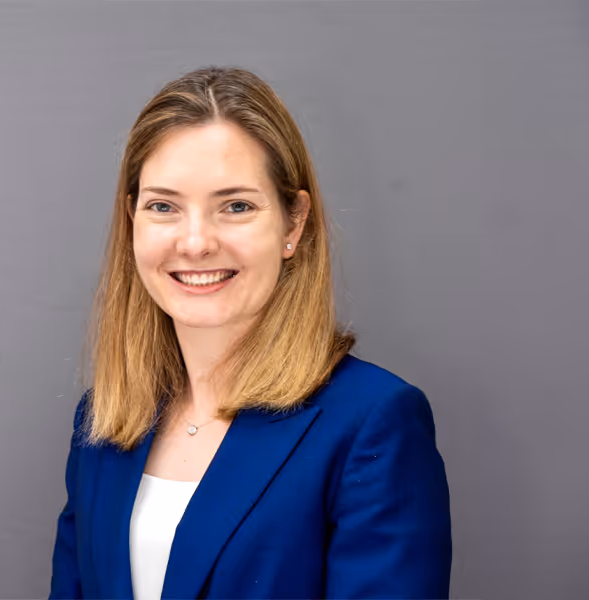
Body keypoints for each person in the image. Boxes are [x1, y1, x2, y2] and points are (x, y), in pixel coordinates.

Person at [49, 65, 451, 599]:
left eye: (236, 206)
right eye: (163, 206)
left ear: (293, 223)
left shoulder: (372, 423)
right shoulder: (102, 421)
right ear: (132, 220)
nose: (196, 243)